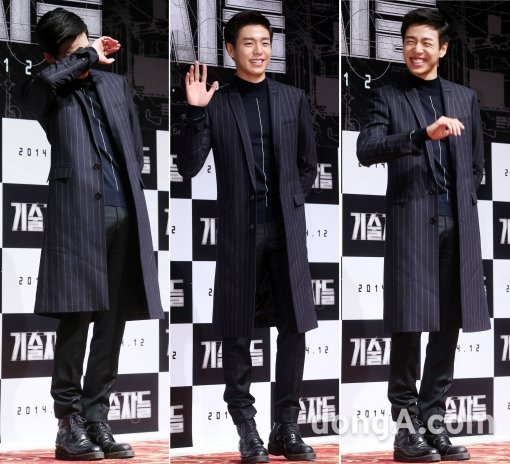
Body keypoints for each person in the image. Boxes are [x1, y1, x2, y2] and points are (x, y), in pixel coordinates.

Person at [20, 8, 164, 461]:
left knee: (112, 322)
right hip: (78, 215)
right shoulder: (47, 88)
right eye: (71, 51)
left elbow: (133, 146)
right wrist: (85, 56)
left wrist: (86, 56)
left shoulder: (115, 85)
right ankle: (69, 422)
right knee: (77, 318)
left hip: (124, 209)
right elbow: (40, 86)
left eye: (86, 43)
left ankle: (97, 417)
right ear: (52, 56)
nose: (85, 55)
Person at [177, 10, 317, 464]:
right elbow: (188, 165)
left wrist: (288, 203)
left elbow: (308, 165)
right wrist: (196, 111)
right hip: (239, 231)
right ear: (230, 50)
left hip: (286, 232)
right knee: (237, 333)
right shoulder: (218, 102)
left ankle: (286, 428)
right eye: (249, 43)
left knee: (294, 329)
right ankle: (247, 429)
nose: (259, 51)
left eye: (265, 42)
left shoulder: (293, 98)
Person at [356, 7, 490, 463]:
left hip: (458, 227)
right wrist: (420, 136)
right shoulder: (386, 95)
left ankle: (434, 425)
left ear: (443, 49)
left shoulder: (464, 97)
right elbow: (367, 148)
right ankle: (405, 432)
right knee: (409, 329)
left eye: (426, 42)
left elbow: (476, 165)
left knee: (448, 329)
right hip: (411, 226)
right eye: (410, 41)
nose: (417, 50)